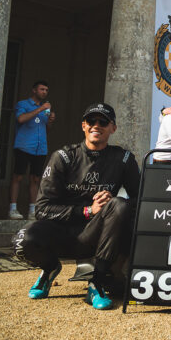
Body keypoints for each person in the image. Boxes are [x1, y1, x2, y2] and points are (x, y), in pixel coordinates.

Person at [17, 103, 140, 310]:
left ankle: (97, 282)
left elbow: (140, 199)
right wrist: (87, 210)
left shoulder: (123, 158)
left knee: (119, 205)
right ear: (83, 125)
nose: (96, 125)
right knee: (22, 240)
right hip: (62, 233)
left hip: (96, 236)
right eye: (91, 121)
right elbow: (42, 209)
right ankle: (49, 268)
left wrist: (111, 204)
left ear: (113, 128)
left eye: (103, 122)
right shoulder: (63, 157)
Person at [9, 80, 56, 220]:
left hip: (40, 148)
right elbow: (21, 119)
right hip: (24, 146)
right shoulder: (23, 104)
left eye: (46, 90)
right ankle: (12, 209)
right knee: (18, 176)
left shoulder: (45, 108)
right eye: (42, 89)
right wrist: (40, 109)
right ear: (34, 90)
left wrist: (50, 121)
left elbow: (47, 129)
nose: (44, 92)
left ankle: (32, 210)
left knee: (35, 179)